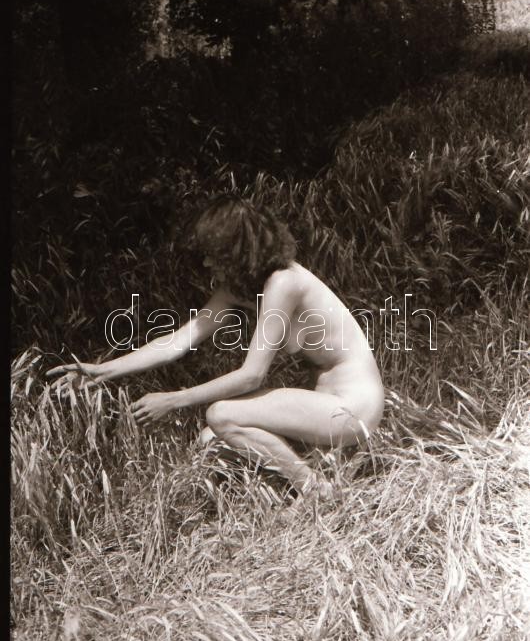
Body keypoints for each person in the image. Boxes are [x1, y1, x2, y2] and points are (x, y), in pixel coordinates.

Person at [47, 197, 384, 500]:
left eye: (213, 254)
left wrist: (174, 400)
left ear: (236, 252)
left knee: (221, 415)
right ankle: (295, 485)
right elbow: (178, 341)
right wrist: (102, 371)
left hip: (354, 405)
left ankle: (316, 490)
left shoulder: (285, 282)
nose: (207, 263)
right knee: (210, 441)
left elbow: (252, 376)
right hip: (325, 403)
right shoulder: (240, 289)